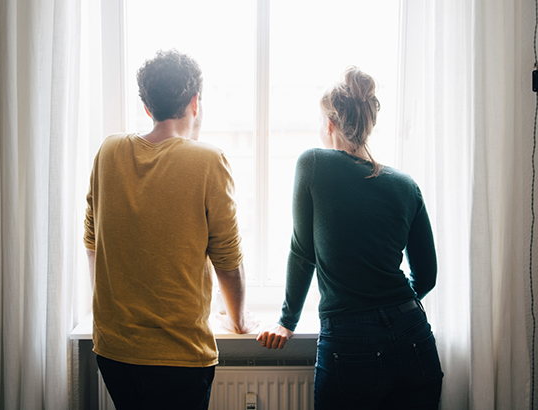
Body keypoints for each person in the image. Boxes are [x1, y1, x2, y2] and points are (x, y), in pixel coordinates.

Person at [257, 67, 443, 409]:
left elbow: (302, 252)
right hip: (413, 335)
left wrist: (286, 321)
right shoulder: (406, 186)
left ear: (329, 123)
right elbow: (427, 277)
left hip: (351, 340)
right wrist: (390, 305)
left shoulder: (314, 163)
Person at [84, 49, 257, 410]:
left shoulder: (108, 151)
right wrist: (239, 320)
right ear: (195, 102)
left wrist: (112, 310)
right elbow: (227, 258)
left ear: (147, 106)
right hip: (178, 355)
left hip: (114, 351)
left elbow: (92, 241)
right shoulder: (207, 160)